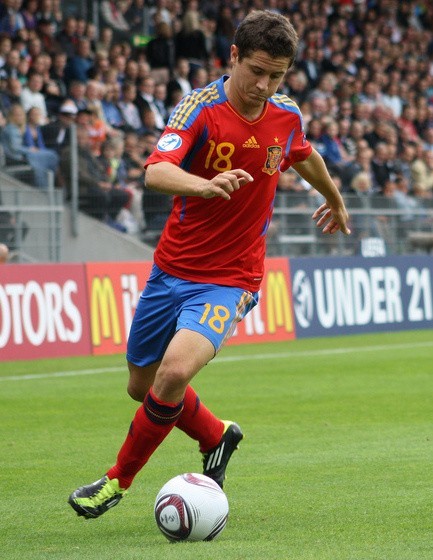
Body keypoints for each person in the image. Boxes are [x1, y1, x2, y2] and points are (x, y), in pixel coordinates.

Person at [68, 10, 350, 520]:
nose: (263, 85)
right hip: (172, 269)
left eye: (277, 76)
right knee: (141, 385)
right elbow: (156, 171)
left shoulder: (285, 115)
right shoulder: (198, 108)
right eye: (256, 71)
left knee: (172, 373)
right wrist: (203, 185)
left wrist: (335, 196)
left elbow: (302, 153)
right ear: (234, 57)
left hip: (232, 277)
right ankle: (218, 436)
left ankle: (116, 481)